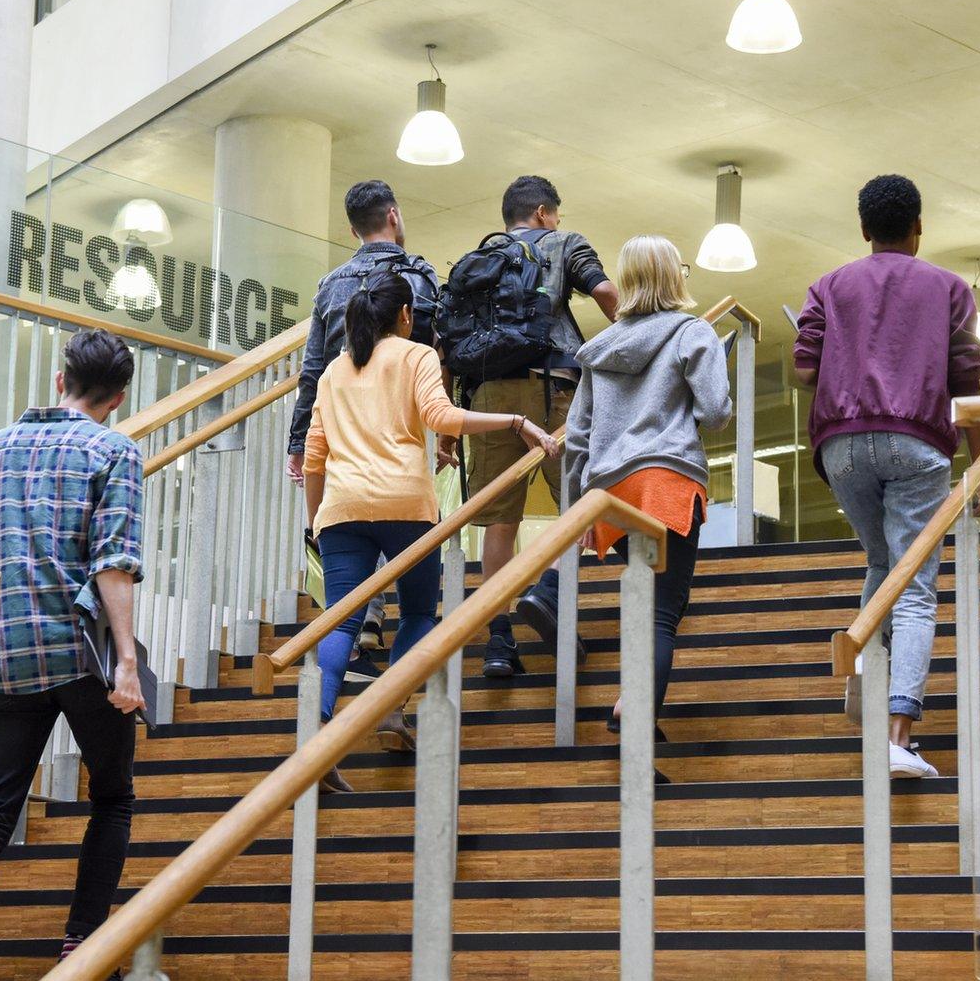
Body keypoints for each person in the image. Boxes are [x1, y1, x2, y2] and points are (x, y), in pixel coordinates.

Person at [0, 329, 148, 981]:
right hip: (81, 652)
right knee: (112, 799)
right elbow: (114, 562)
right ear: (117, 399)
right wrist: (126, 664)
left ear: (60, 383)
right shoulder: (115, 450)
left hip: (9, 652)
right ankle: (85, 950)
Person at [304, 273, 558, 789]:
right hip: (405, 505)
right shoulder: (416, 355)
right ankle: (391, 709)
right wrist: (515, 422)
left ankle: (318, 728)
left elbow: (314, 457)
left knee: (342, 621)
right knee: (418, 612)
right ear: (403, 315)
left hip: (341, 510)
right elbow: (442, 415)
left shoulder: (333, 370)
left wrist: (315, 522)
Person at [793, 174, 980, 780]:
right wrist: (978, 466)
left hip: (842, 445)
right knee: (917, 584)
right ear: (919, 227)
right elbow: (967, 383)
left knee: (883, 562)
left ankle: (863, 684)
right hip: (917, 443)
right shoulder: (950, 288)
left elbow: (803, 369)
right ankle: (898, 732)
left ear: (863, 229)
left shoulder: (828, 285)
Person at [563, 236, 731, 748]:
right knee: (662, 610)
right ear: (672, 277)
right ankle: (634, 715)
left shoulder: (600, 348)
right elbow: (717, 413)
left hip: (612, 491)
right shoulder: (692, 333)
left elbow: (576, 436)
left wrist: (575, 513)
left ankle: (628, 702)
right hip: (666, 481)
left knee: (649, 603)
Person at [463, 175, 619, 678]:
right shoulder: (563, 243)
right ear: (546, 212)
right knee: (581, 507)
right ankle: (546, 590)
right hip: (552, 389)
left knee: (498, 521)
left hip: (488, 396)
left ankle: (498, 640)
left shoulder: (482, 257)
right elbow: (605, 292)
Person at [286, 181, 443, 661]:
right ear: (393, 216)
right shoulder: (417, 275)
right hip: (399, 422)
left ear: (352, 229)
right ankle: (384, 643)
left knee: (352, 520)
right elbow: (439, 347)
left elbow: (312, 368)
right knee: (398, 519)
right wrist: (449, 433)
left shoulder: (331, 283)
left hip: (337, 424)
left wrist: (298, 441)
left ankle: (365, 620)